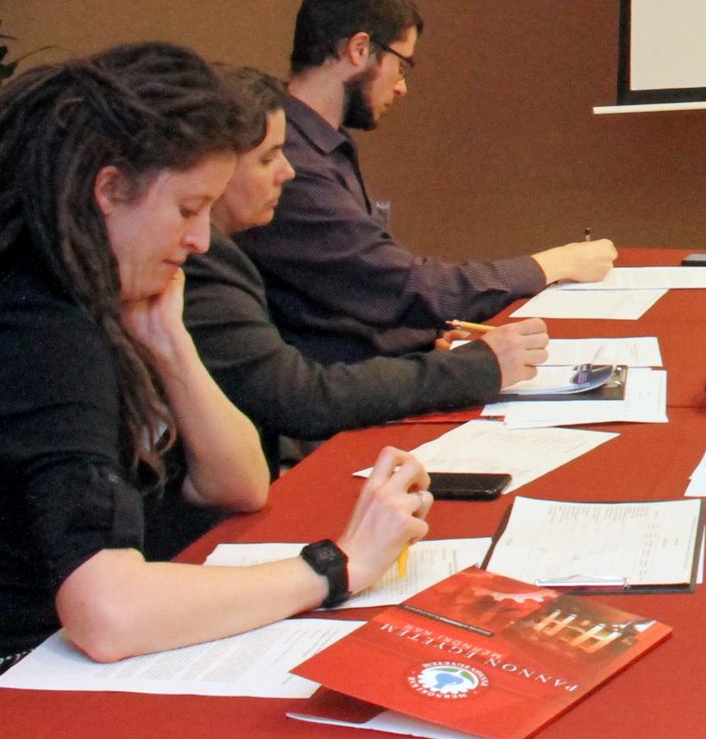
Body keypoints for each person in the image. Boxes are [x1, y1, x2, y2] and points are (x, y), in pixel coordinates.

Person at [0, 43, 433, 739]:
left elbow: (239, 485)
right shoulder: (33, 334)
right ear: (109, 190)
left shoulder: (61, 297)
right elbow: (109, 614)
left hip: (21, 678)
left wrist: (169, 341)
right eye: (187, 211)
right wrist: (335, 566)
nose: (201, 240)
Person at [238, 0, 615, 362]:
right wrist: (550, 264)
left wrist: (428, 336)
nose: (402, 86)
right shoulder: (292, 163)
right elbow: (402, 286)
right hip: (346, 387)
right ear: (360, 49)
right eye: (402, 64)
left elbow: (365, 290)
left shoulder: (319, 142)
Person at [185, 65, 550, 473]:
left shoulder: (231, 246)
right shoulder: (202, 260)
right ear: (214, 167)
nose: (287, 172)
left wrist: (432, 352)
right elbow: (298, 396)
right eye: (268, 158)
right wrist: (471, 369)